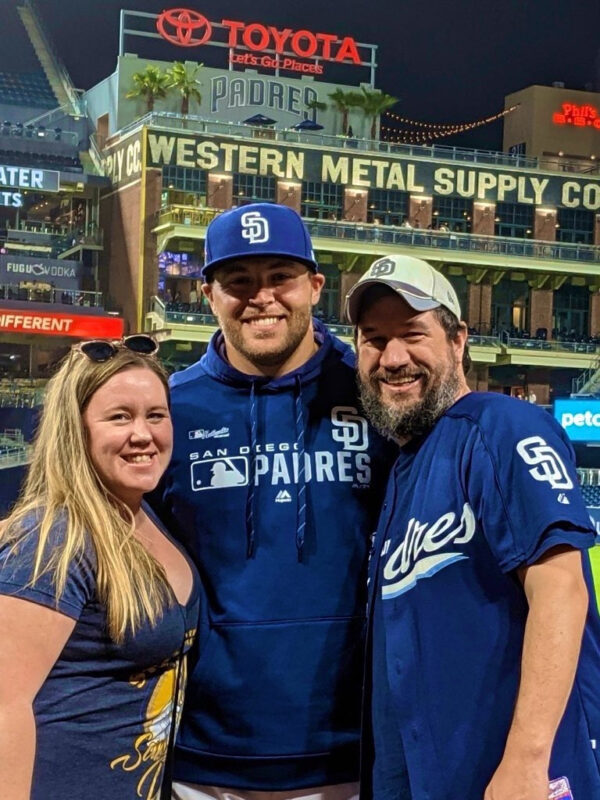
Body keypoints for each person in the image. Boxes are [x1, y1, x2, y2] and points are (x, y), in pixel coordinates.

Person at [151, 203, 395, 800]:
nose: (262, 297)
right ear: (209, 294)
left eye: (279, 276)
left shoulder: (375, 393)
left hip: (353, 748)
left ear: (315, 286)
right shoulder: (170, 411)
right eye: (238, 281)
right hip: (204, 756)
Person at [345, 254, 600, 800]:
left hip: (511, 776)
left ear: (458, 340)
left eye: (412, 333)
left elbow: (561, 588)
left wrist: (527, 761)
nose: (392, 358)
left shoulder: (502, 424)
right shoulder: (403, 467)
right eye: (373, 339)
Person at [0, 335, 199, 800]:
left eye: (156, 415)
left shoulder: (139, 511)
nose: (143, 435)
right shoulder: (54, 537)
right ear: (78, 431)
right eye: (119, 417)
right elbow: (5, 704)